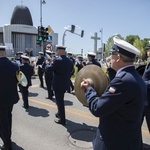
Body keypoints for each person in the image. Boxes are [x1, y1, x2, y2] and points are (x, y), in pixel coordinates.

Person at [81, 36, 146, 150]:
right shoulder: (137, 77)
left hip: (114, 142)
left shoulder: (122, 80)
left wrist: (88, 89)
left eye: (111, 55)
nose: (109, 58)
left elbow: (98, 108)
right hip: (129, 140)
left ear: (118, 57)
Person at [47, 45, 73, 125]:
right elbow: (72, 71)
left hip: (58, 84)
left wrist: (48, 63)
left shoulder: (57, 60)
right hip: (65, 84)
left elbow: (48, 69)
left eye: (57, 50)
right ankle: (59, 113)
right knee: (60, 100)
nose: (56, 52)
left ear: (60, 51)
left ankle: (62, 119)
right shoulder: (69, 61)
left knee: (60, 101)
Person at [0, 46, 20, 150]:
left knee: (2, 122)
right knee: (8, 117)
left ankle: (7, 145)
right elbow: (18, 79)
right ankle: (8, 137)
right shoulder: (15, 65)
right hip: (11, 97)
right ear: (5, 53)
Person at [142, 45, 150, 133]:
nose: (147, 51)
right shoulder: (148, 63)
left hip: (148, 102)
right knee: (136, 125)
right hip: (144, 100)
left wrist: (143, 83)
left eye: (149, 49)